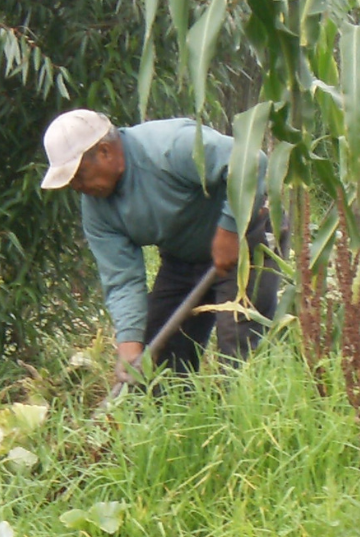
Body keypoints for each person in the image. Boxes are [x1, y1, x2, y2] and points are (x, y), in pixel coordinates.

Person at [39, 109, 278, 378]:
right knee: (159, 357)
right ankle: (182, 417)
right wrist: (129, 346)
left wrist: (230, 230)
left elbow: (250, 163)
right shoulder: (97, 210)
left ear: (104, 151)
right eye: (70, 182)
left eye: (79, 175)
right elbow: (122, 279)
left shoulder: (170, 147)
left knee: (239, 349)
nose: (77, 187)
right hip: (183, 260)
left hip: (247, 241)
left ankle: (245, 414)